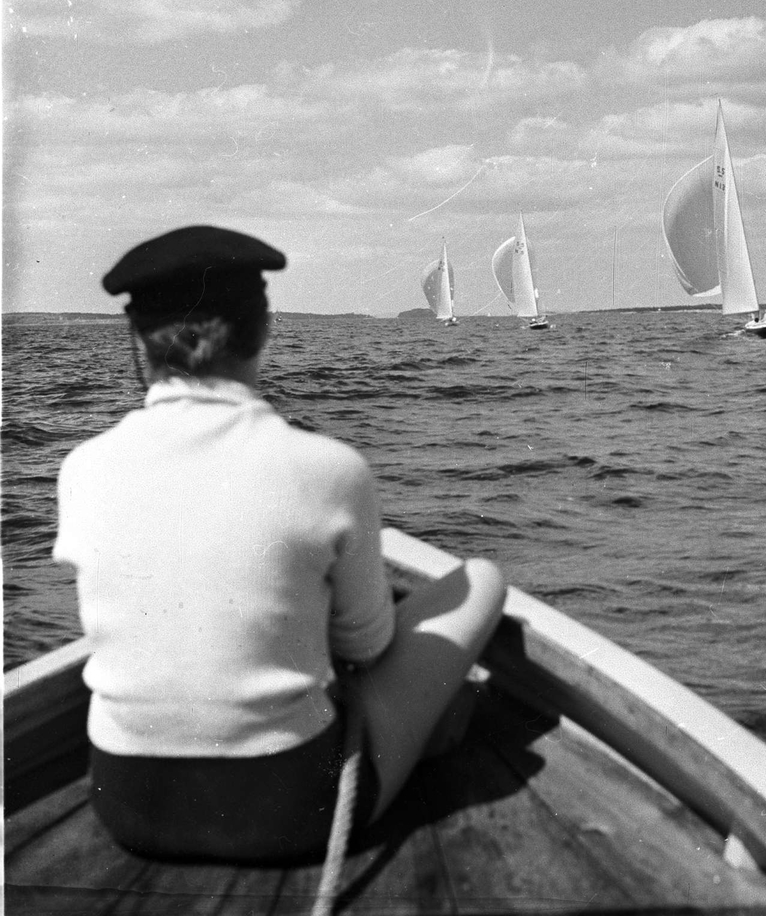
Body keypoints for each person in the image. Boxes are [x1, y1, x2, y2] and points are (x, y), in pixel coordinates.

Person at [53, 225, 506, 863]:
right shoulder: (328, 467)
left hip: (128, 806)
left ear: (137, 343)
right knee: (481, 578)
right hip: (290, 811)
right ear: (263, 330)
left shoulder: (81, 467)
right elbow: (368, 648)